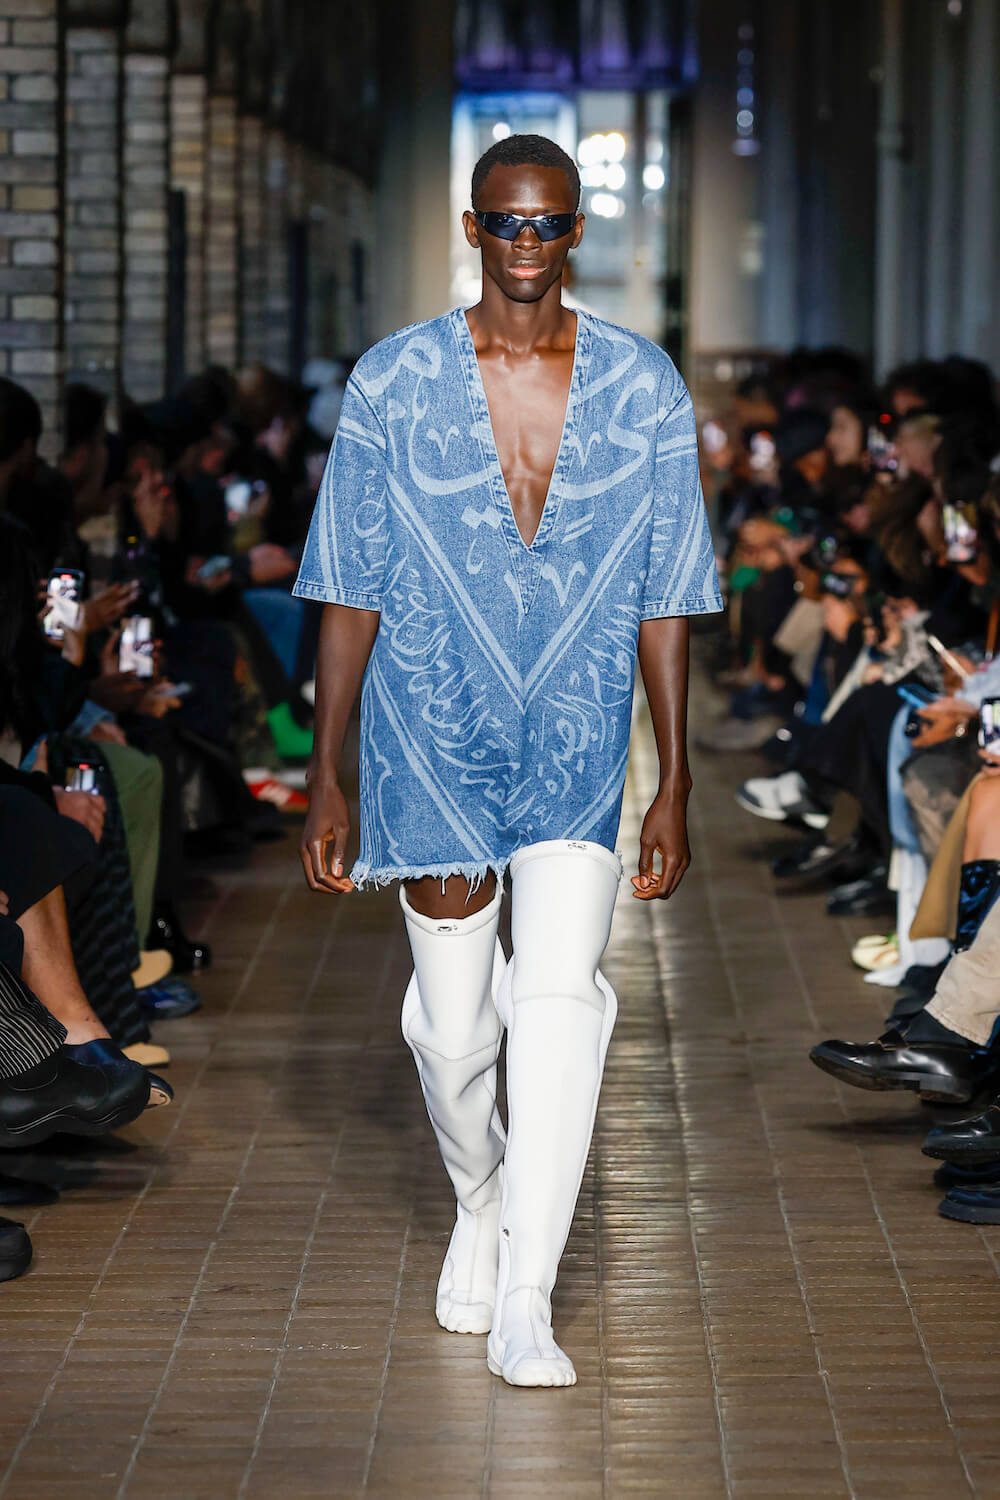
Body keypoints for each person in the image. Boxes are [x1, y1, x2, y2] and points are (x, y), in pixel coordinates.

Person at [294, 133, 721, 1388]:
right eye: (506, 221)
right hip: (428, 726)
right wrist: (326, 771)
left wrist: (674, 778)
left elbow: (668, 593)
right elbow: (349, 584)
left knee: (558, 997)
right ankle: (479, 1197)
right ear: (472, 227)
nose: (527, 243)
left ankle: (527, 1295)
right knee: (451, 1031)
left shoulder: (642, 385)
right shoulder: (392, 381)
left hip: (580, 726)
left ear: (575, 229)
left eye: (548, 223)